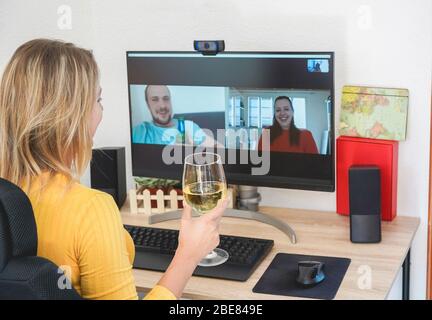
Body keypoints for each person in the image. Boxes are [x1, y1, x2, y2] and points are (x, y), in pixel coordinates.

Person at [0, 39, 228, 300]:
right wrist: (188, 254)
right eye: (98, 100)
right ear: (71, 116)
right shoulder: (91, 209)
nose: (101, 110)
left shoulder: (7, 192)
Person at [133, 85, 209, 146]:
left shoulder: (189, 126)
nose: (162, 106)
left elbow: (217, 149)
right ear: (148, 104)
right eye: (155, 99)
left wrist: (195, 151)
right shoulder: (139, 131)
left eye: (166, 99)